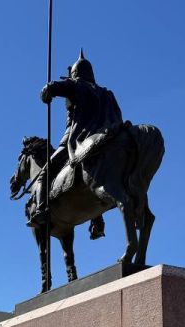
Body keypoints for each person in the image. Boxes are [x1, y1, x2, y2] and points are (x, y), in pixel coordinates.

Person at [36, 49, 123, 239]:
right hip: (103, 135)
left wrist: (46, 93)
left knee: (44, 174)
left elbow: (50, 88)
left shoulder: (76, 86)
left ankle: (41, 212)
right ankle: (97, 222)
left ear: (75, 74)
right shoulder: (105, 93)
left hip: (74, 138)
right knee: (96, 176)